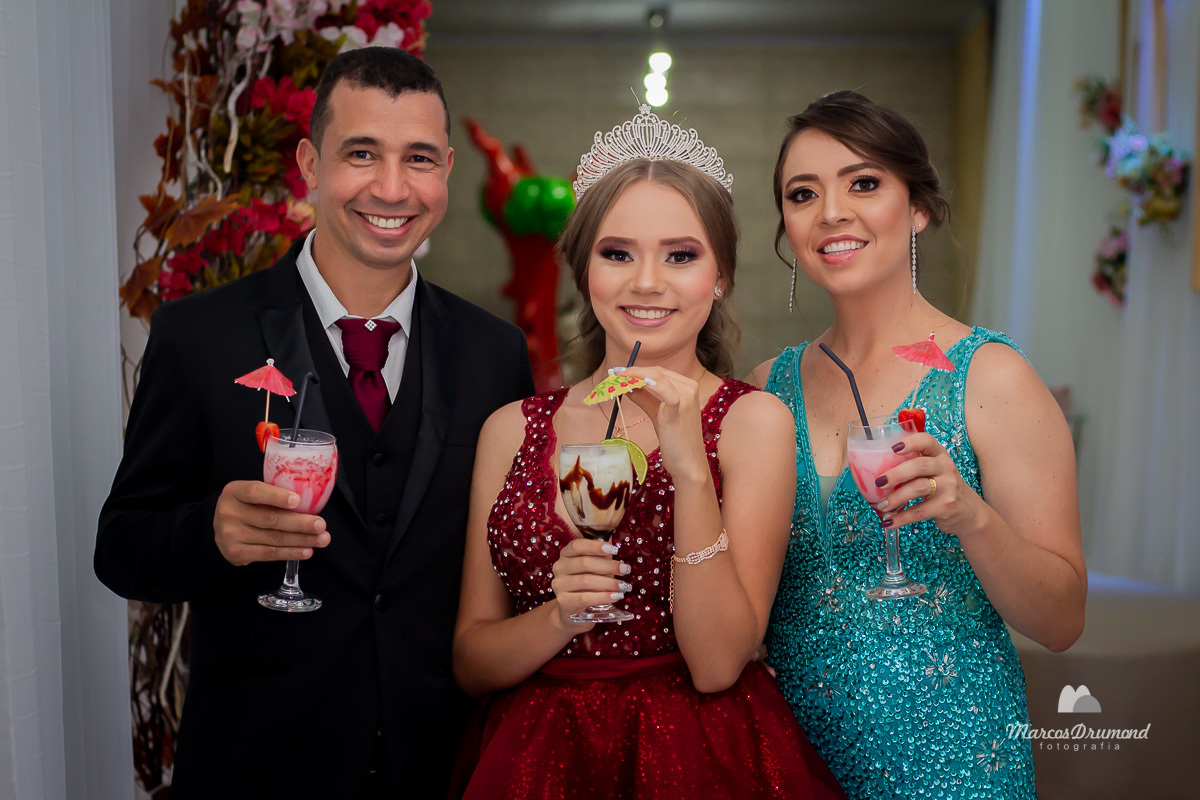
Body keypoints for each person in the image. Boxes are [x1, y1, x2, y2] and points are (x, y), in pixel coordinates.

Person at [95, 47, 534, 799]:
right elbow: (122, 547)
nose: (392, 188)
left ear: (448, 170)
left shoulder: (495, 352)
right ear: (309, 161)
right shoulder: (199, 336)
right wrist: (212, 531)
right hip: (255, 768)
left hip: (442, 769)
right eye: (361, 153)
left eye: (419, 158)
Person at [452, 105, 845, 799]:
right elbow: (471, 659)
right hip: (537, 756)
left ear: (719, 275)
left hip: (699, 758)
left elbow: (720, 663)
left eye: (681, 255)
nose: (647, 283)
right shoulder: (511, 429)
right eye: (617, 253)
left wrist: (691, 470)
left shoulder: (754, 423)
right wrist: (557, 616)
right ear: (583, 268)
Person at [749, 91, 1087, 799]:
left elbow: (1062, 620)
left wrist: (972, 517)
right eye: (803, 193)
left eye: (864, 183)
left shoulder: (991, 376)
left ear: (919, 208)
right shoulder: (764, 390)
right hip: (790, 759)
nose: (832, 211)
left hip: (954, 760)